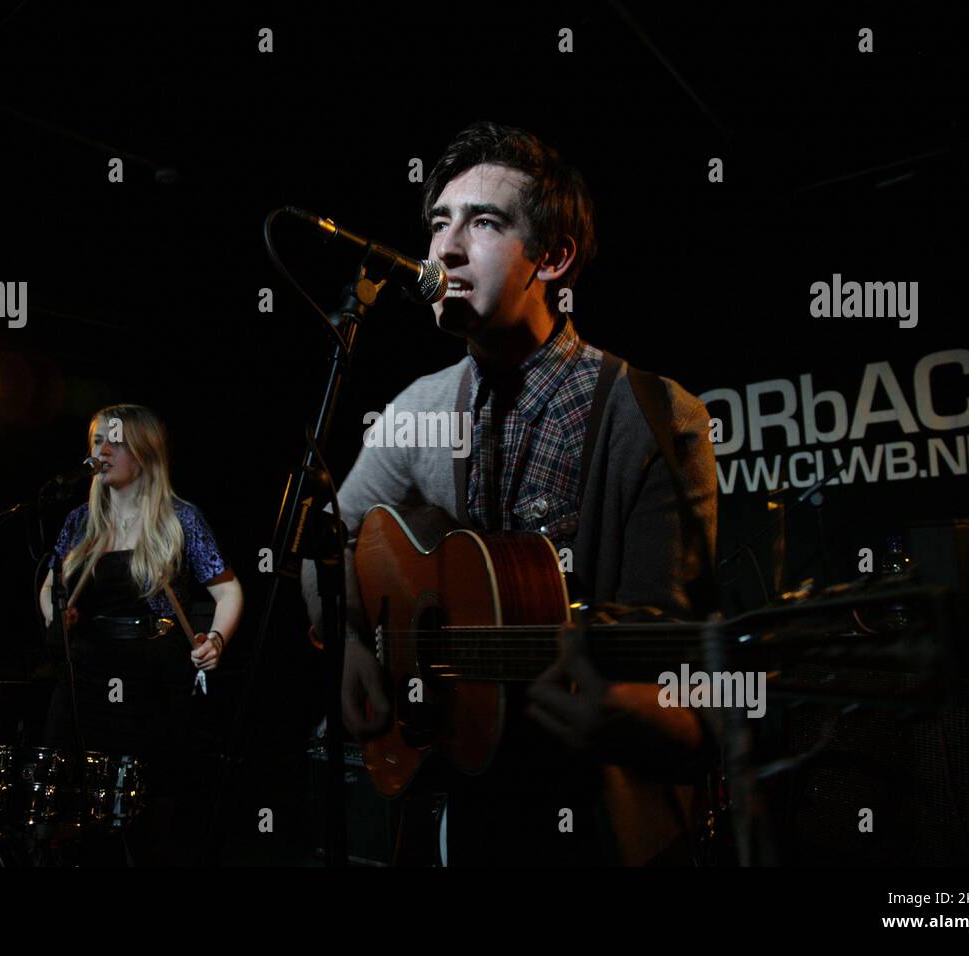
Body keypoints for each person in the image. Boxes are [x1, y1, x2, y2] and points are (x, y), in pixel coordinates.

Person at [302, 121, 719, 865]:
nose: (445, 249)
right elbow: (322, 548)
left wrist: (625, 712)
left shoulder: (659, 417)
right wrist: (352, 652)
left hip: (606, 827)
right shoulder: (418, 411)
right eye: (438, 223)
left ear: (552, 258)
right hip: (466, 811)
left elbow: (681, 677)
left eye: (484, 222)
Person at [40, 403, 243, 864]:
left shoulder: (179, 518)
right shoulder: (80, 521)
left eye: (115, 441)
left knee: (147, 811)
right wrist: (58, 617)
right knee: (69, 799)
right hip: (85, 675)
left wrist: (216, 640)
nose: (103, 451)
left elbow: (229, 590)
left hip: (153, 676)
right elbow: (51, 585)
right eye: (97, 442)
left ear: (145, 451)